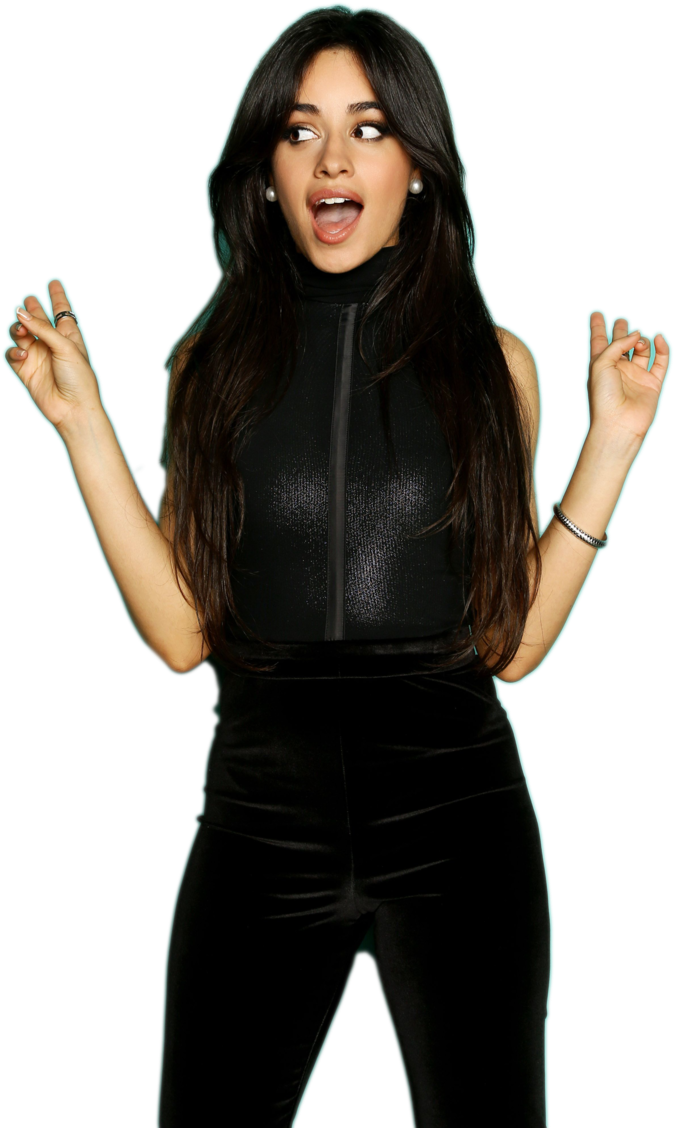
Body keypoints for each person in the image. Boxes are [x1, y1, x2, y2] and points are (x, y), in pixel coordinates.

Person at [6, 8, 669, 1128]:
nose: (331, 161)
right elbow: (181, 634)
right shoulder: (204, 364)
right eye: (299, 130)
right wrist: (81, 427)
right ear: (265, 175)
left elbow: (510, 647)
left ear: (418, 168)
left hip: (459, 813)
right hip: (258, 812)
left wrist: (611, 444)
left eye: (367, 129)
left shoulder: (494, 363)